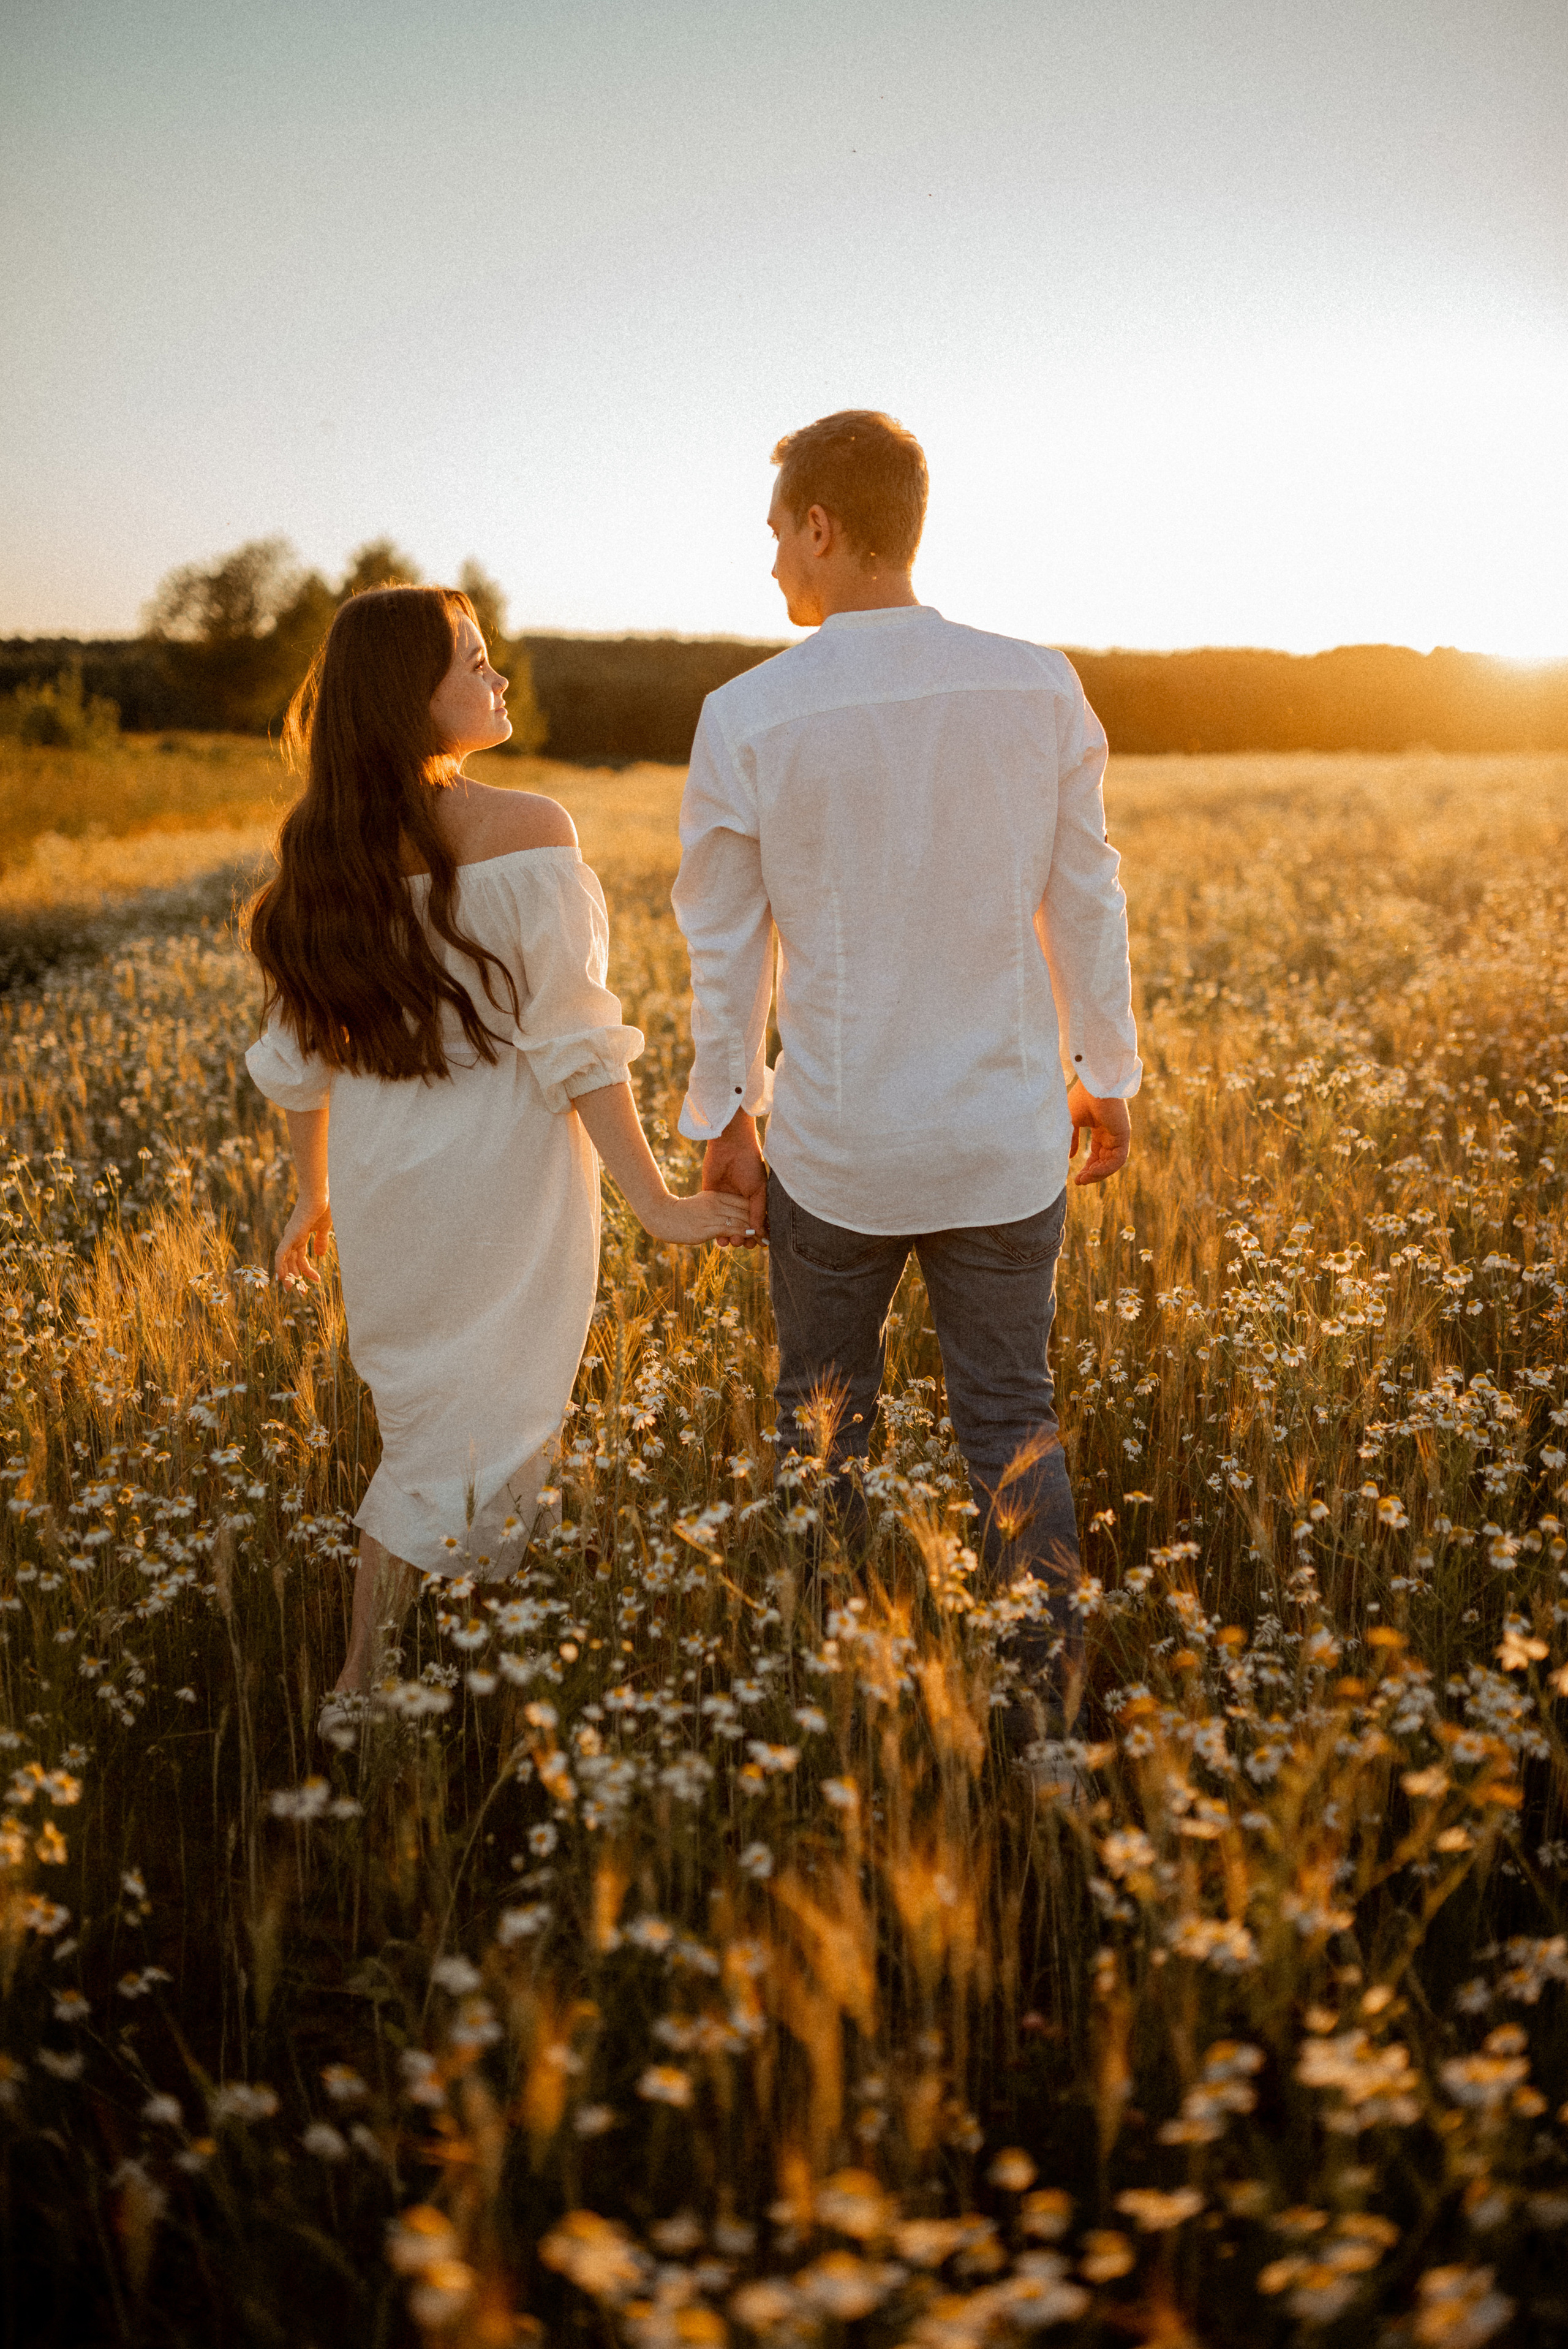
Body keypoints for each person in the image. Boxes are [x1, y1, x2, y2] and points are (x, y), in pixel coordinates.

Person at [671, 410, 1139, 1731]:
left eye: (776, 534)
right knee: (1011, 1422)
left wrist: (723, 1116)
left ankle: (828, 1722)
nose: (771, 565)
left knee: (822, 1430)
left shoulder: (746, 714)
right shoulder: (1035, 683)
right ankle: (1048, 1735)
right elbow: (1084, 897)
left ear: (821, 526)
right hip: (1000, 1140)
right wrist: (1104, 1068)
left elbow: (724, 943)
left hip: (834, 1145)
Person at [246, 586, 748, 1727]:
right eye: (474, 661)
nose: (498, 677)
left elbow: (296, 1063)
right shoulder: (529, 829)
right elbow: (577, 1047)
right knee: (507, 1415)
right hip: (503, 1170)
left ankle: (437, 1666)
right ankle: (373, 1683)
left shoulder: (322, 852)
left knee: (431, 1424)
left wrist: (310, 1194)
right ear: (408, 698)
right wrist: (657, 1202)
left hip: (386, 1183)